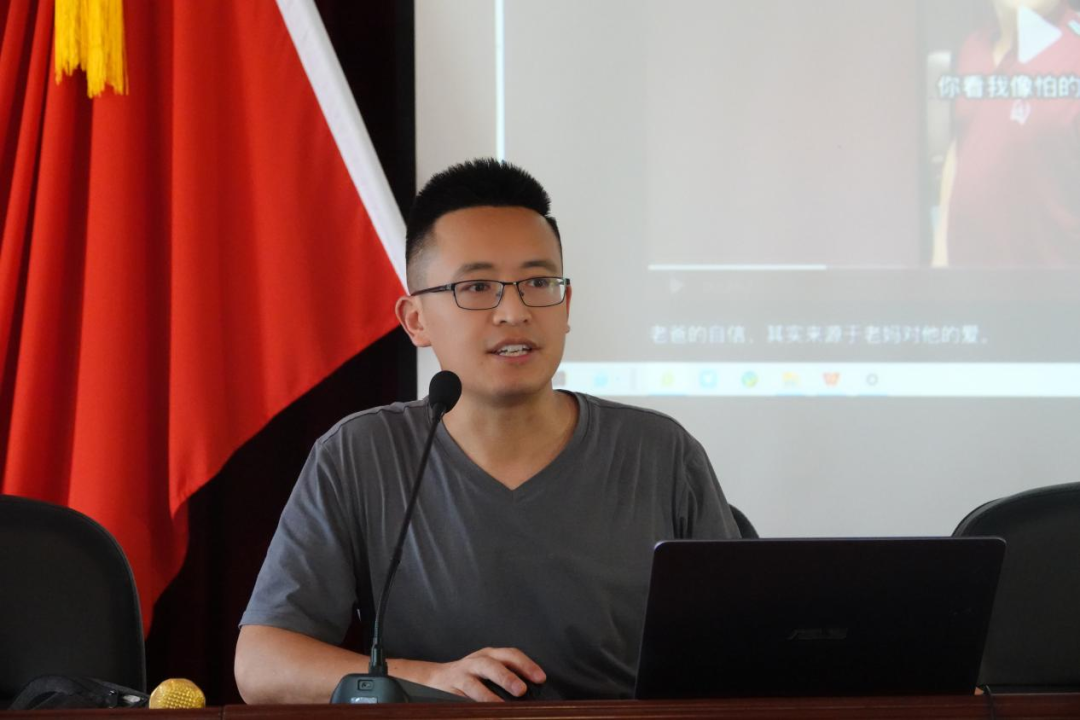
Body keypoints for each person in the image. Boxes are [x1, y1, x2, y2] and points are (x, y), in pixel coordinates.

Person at [234, 159, 739, 703]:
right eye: (476, 287)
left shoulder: (658, 452)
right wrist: (423, 678)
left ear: (566, 304)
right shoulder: (361, 455)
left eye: (538, 282)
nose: (514, 312)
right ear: (415, 320)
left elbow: (742, 646)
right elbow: (262, 664)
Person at [933, 0, 1080, 267]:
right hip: (967, 285)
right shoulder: (973, 47)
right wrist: (940, 260)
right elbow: (961, 148)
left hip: (1054, 287)